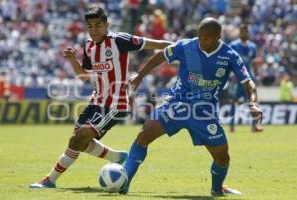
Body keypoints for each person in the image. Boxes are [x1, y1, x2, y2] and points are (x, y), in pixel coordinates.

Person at [29, 6, 172, 188]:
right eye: (90, 26)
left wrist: (182, 47)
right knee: (78, 142)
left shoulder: (119, 40)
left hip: (116, 104)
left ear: (107, 25)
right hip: (95, 101)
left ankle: (49, 180)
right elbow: (84, 77)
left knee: (79, 138)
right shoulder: (89, 45)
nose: (94, 30)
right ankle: (119, 157)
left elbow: (156, 44)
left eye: (98, 25)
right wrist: (73, 60)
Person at [119, 17, 263, 196]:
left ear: (218, 37)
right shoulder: (185, 46)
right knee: (144, 134)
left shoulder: (229, 55)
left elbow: (248, 82)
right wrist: (139, 76)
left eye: (207, 38)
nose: (201, 41)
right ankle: (123, 182)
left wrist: (253, 102)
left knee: (222, 156)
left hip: (204, 111)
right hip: (177, 103)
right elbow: (160, 56)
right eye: (200, 36)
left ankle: (217, 189)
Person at [228, 24, 263, 133]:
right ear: (239, 33)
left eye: (246, 31)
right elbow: (228, 61)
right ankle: (231, 126)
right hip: (236, 78)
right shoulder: (233, 45)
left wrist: (256, 76)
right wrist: (230, 75)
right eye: (243, 31)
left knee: (253, 101)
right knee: (234, 101)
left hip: (248, 78)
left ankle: (255, 126)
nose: (244, 33)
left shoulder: (252, 46)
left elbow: (253, 62)